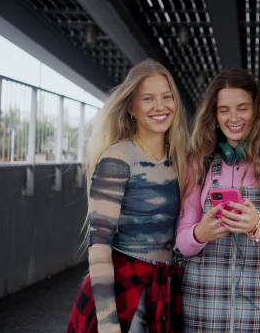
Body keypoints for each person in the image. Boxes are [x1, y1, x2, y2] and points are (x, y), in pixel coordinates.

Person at [67, 59, 189, 333]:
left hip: (165, 288)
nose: (160, 106)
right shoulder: (118, 157)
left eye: (167, 96)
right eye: (148, 98)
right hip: (125, 292)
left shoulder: (181, 158)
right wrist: (108, 322)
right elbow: (98, 246)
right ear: (131, 107)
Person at [175, 69, 260, 332]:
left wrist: (258, 225)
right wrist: (200, 233)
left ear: (256, 110)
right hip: (202, 306)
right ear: (215, 114)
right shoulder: (199, 162)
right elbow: (183, 243)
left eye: (242, 108)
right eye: (224, 110)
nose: (233, 118)